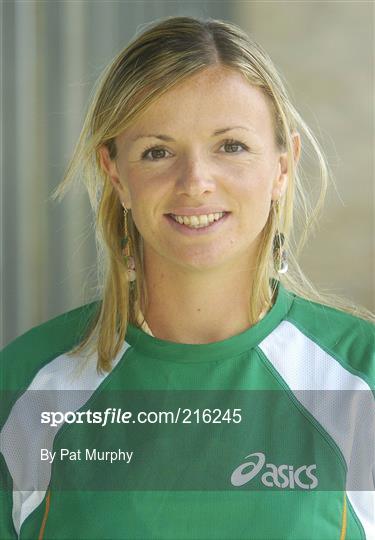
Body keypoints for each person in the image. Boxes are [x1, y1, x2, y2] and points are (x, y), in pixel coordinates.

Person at [1, 15, 374, 540]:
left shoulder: (361, 379)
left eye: (232, 146)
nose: (196, 182)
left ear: (283, 166)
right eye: (158, 151)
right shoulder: (26, 386)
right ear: (115, 173)